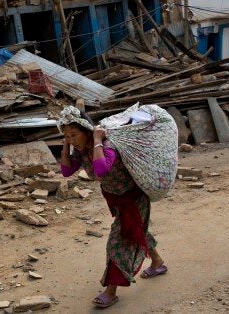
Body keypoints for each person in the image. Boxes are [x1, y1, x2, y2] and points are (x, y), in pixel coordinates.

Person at [58, 106, 167, 308]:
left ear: (86, 130)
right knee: (135, 229)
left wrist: (98, 140)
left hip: (133, 198)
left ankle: (110, 291)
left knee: (117, 242)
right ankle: (158, 262)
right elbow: (66, 171)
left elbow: (100, 170)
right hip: (115, 199)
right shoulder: (81, 150)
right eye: (66, 136)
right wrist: (66, 146)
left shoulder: (107, 145)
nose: (72, 140)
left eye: (74, 135)